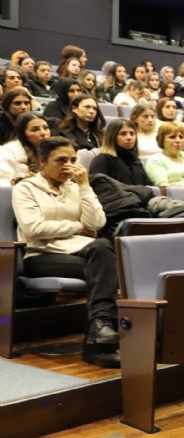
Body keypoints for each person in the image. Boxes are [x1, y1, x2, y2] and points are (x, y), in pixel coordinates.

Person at [12, 137, 121, 368]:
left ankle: (100, 334)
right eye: (61, 160)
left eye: (73, 160)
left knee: (103, 253)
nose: (68, 166)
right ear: (42, 161)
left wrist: (84, 187)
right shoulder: (25, 188)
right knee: (106, 266)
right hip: (41, 256)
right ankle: (98, 344)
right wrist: (78, 227)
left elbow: (97, 222)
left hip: (81, 252)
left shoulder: (75, 187)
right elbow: (34, 229)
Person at [89, 119, 152, 186]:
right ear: (112, 137)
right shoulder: (102, 160)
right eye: (123, 134)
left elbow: (149, 186)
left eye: (132, 133)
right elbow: (101, 189)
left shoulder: (136, 160)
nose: (129, 137)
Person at [144, 122, 184, 188]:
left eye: (181, 137)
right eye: (172, 137)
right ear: (161, 140)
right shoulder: (154, 160)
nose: (178, 140)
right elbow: (164, 186)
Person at [0, 112, 51, 183]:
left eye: (46, 128)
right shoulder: (5, 153)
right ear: (23, 134)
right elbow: (6, 184)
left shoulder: (57, 150)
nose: (43, 133)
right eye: (35, 130)